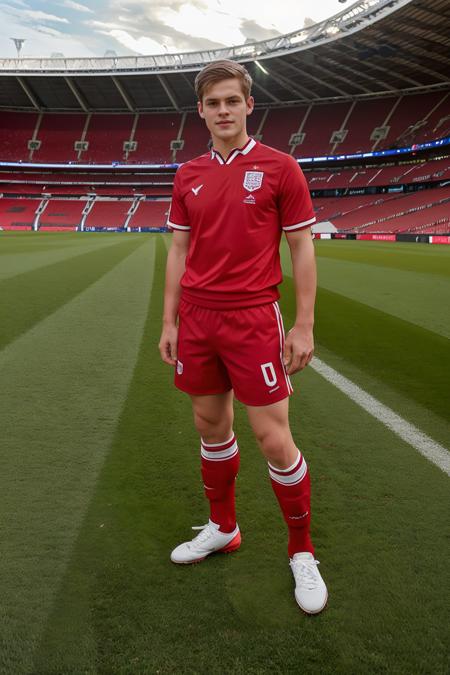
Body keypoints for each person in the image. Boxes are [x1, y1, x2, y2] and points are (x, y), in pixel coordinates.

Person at [158, 59, 328, 615]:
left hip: (254, 316)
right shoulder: (188, 174)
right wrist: (170, 321)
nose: (223, 111)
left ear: (249, 105)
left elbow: (302, 245)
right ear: (200, 111)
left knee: (273, 438)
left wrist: (302, 323)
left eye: (233, 100)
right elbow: (178, 251)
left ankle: (301, 551)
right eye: (213, 103)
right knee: (209, 425)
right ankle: (222, 527)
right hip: (199, 318)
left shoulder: (281, 168)